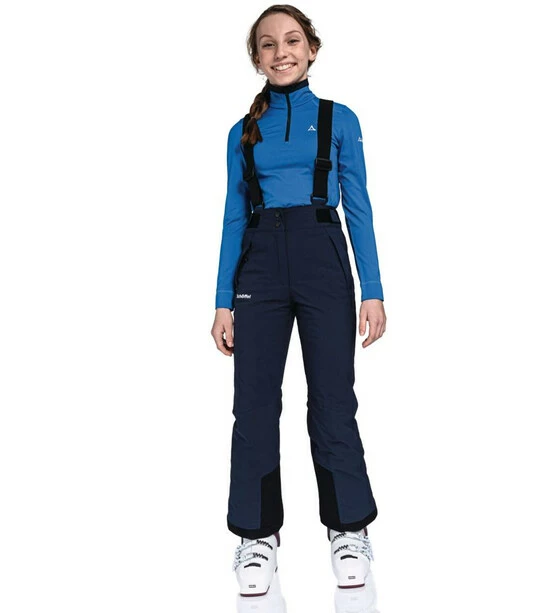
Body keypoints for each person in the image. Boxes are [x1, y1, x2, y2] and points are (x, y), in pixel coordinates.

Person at [210, 4, 387, 597]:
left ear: (311, 48)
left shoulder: (339, 119)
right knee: (254, 403)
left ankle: (348, 528)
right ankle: (256, 536)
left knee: (333, 399)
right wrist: (223, 301)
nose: (281, 52)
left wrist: (373, 290)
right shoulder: (242, 132)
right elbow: (234, 217)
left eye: (291, 41)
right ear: (256, 58)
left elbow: (358, 207)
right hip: (259, 263)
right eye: (268, 44)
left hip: (322, 257)